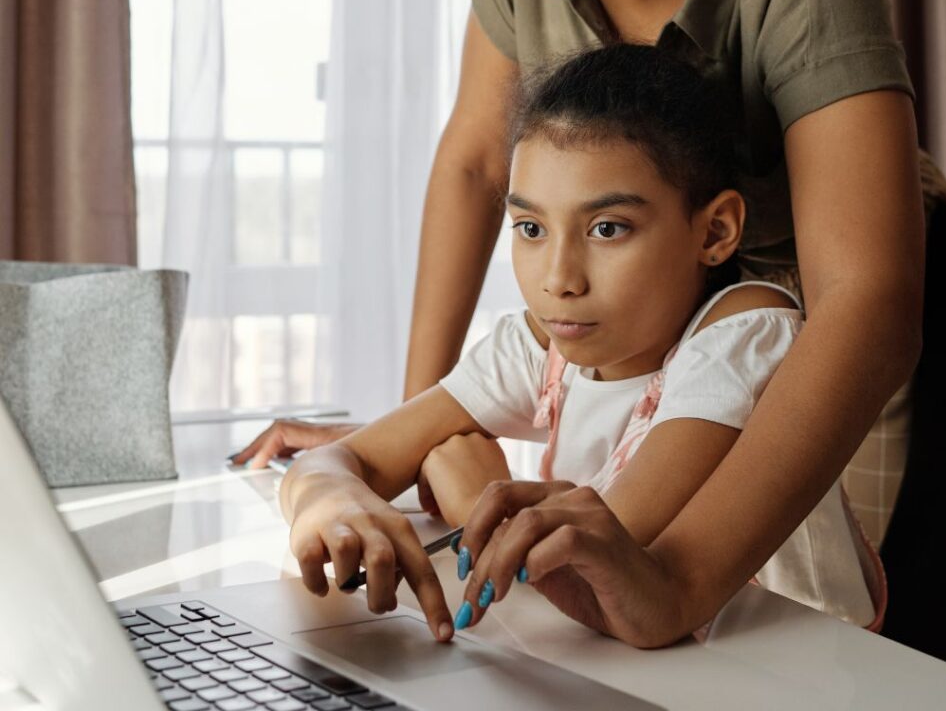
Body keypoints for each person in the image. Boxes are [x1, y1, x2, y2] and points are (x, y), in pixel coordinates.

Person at [234, 0, 946, 632]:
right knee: (582, 583)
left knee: (777, 621)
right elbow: (473, 166)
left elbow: (867, 299)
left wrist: (683, 582)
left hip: (823, 316)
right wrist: (406, 435)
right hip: (653, 301)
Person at [281, 45, 884, 646]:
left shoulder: (748, 332)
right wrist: (331, 500)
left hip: (799, 670)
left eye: (607, 228)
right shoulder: (544, 343)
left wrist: (472, 502)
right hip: (651, 668)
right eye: (532, 229)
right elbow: (339, 462)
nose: (558, 279)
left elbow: (609, 560)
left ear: (715, 230)